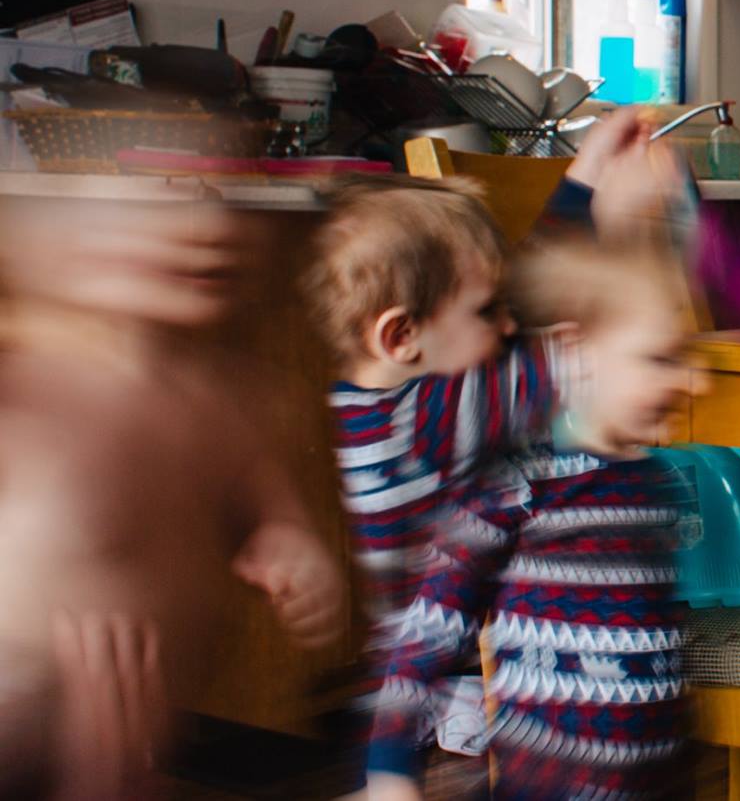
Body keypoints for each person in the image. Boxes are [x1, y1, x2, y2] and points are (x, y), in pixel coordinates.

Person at [315, 110, 685, 782]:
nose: (509, 324)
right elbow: (565, 346)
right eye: (486, 313)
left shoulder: (387, 392)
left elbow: (527, 299)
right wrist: (633, 244)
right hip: (439, 677)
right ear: (401, 336)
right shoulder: (427, 420)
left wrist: (587, 174)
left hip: (450, 657)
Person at [0, 195, 345, 798]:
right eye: (143, 211)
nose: (203, 227)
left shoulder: (241, 398)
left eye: (219, 207)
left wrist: (286, 541)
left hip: (142, 721)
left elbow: (261, 496)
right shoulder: (29, 391)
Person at [364, 241, 702, 801]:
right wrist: (390, 764)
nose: (691, 382)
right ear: (576, 351)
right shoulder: (518, 482)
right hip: (548, 781)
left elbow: (654, 641)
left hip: (647, 777)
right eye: (658, 359)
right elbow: (429, 627)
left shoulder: (653, 482)